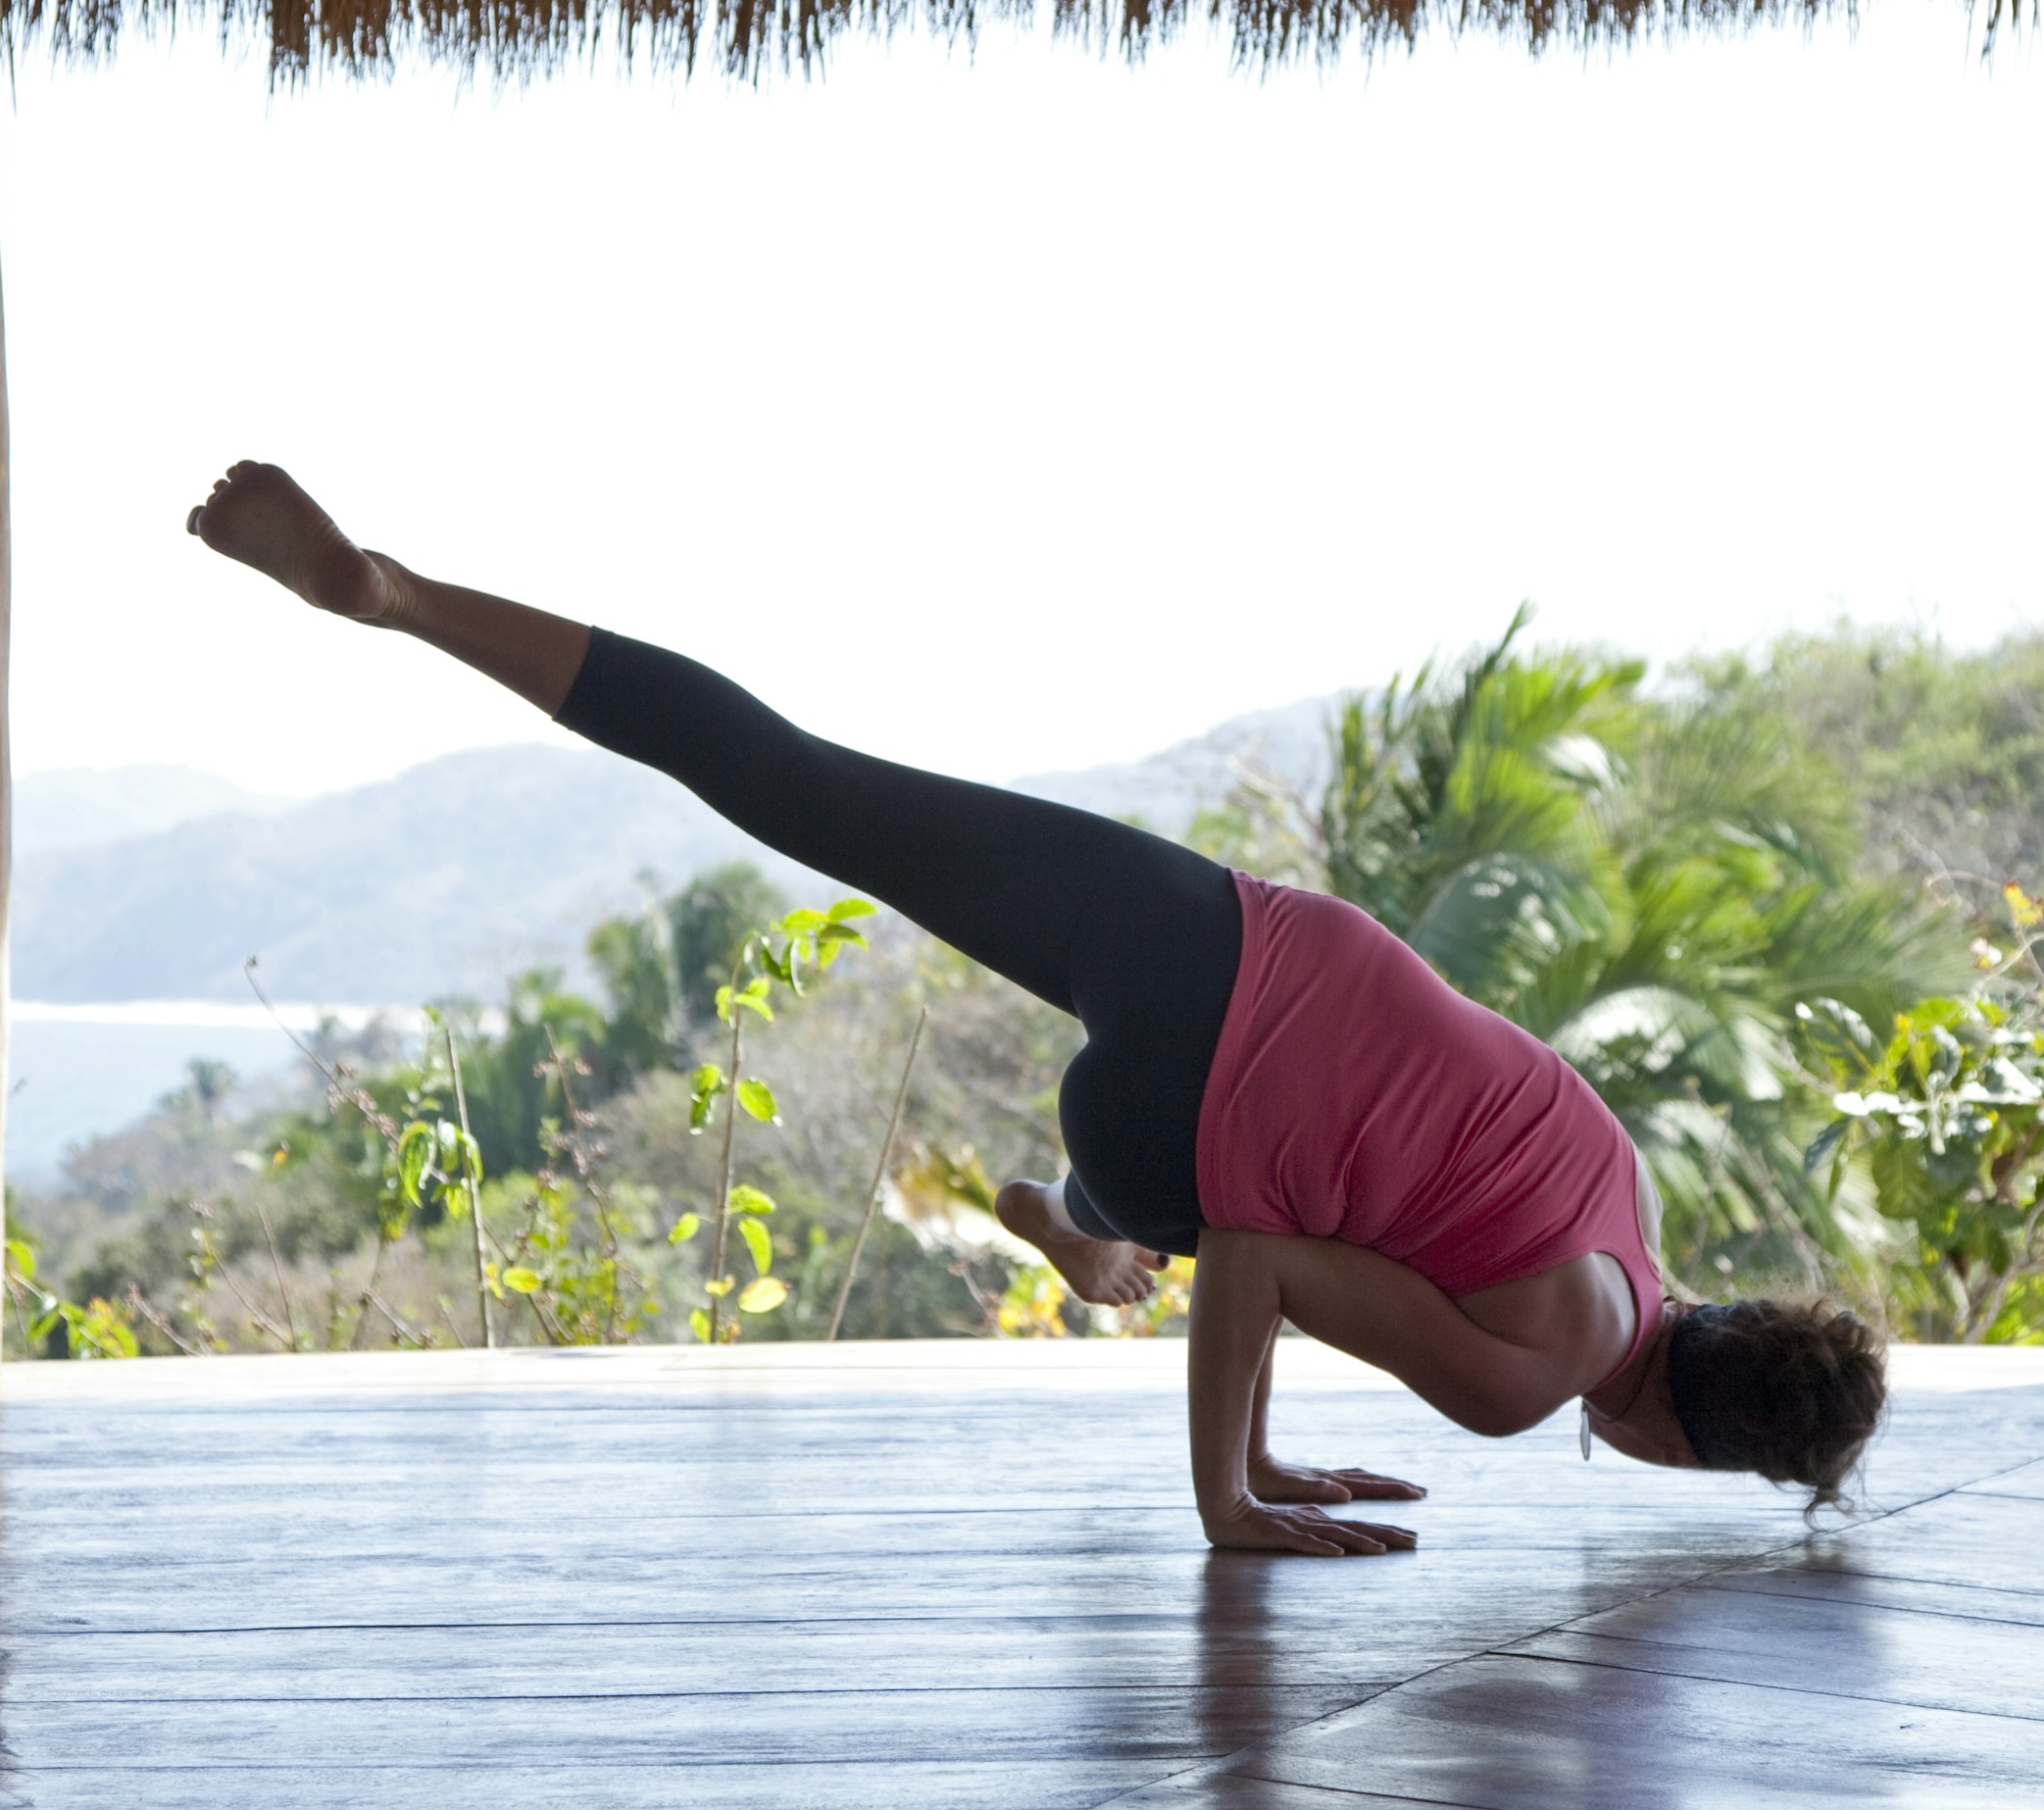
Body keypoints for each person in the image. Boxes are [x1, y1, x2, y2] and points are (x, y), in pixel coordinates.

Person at [187, 462, 1885, 1555]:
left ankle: (389, 595)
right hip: (1175, 1129)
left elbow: (1351, 1182)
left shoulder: (1627, 1218)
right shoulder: (1543, 1376)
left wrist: (1274, 1455)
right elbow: (1275, 1258)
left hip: (1225, 936)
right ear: (1694, 1452)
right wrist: (1233, 1498)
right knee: (1172, 1200)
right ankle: (1078, 1220)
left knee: (794, 778)